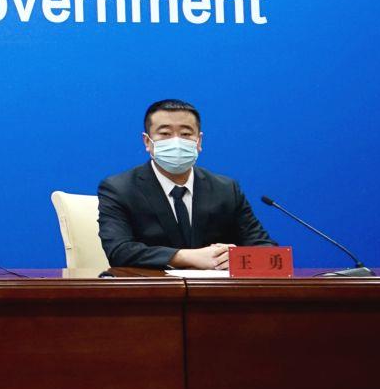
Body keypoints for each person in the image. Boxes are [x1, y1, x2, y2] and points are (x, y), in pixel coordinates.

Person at [98, 98, 274, 271]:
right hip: (152, 287)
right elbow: (119, 251)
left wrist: (236, 257)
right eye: (165, 133)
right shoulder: (120, 189)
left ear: (199, 141)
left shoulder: (226, 189)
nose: (176, 141)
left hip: (215, 288)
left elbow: (266, 249)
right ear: (147, 142)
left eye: (186, 134)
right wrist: (187, 257)